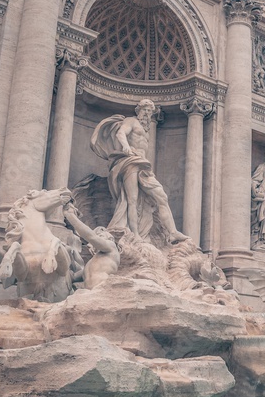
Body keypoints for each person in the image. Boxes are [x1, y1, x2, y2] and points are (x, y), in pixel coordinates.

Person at [90, 99, 189, 244]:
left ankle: (173, 232)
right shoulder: (131, 121)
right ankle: (135, 235)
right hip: (130, 162)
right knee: (132, 199)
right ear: (138, 110)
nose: (147, 113)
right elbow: (120, 133)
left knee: (161, 196)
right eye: (145, 110)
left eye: (150, 111)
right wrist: (126, 147)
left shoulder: (146, 129)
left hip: (143, 165)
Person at [63, 203, 120, 290]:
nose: (93, 244)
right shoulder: (91, 263)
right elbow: (73, 277)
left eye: (101, 236)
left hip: (103, 290)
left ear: (110, 238)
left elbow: (91, 237)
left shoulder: (111, 248)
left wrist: (70, 215)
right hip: (89, 294)